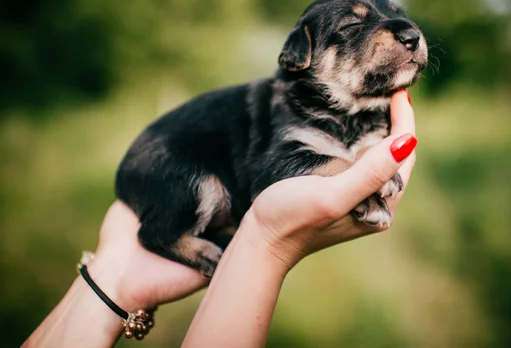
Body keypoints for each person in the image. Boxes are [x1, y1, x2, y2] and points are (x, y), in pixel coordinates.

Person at [23, 90, 416, 348]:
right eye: (351, 26)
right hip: (173, 160)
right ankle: (170, 238)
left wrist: (113, 279)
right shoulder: (286, 105)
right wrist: (266, 243)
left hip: (199, 173)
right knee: (198, 190)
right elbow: (287, 164)